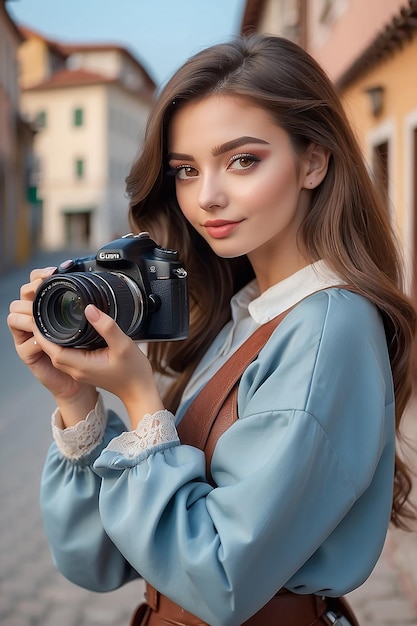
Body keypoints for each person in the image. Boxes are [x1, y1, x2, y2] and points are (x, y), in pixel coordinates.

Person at [8, 34, 416, 626]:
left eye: (243, 160)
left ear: (313, 161)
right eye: (186, 170)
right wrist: (78, 403)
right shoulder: (249, 315)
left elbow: (222, 579)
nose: (208, 197)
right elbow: (95, 560)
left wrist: (141, 398)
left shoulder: (329, 330)